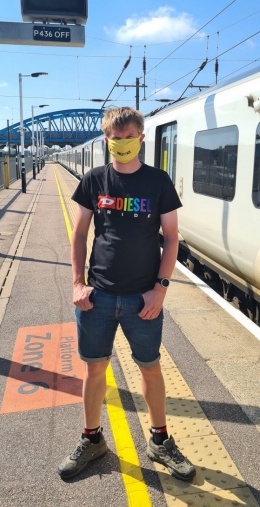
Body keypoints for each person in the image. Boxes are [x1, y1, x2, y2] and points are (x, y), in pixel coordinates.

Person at [58, 106, 196, 482]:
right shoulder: (94, 179)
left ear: (141, 138)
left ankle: (160, 441)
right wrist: (76, 283)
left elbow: (171, 238)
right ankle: (92, 439)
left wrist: (160, 290)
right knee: (94, 369)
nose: (121, 145)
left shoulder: (158, 182)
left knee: (150, 369)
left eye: (128, 137)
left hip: (143, 299)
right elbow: (80, 233)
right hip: (97, 296)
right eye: (115, 139)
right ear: (106, 140)